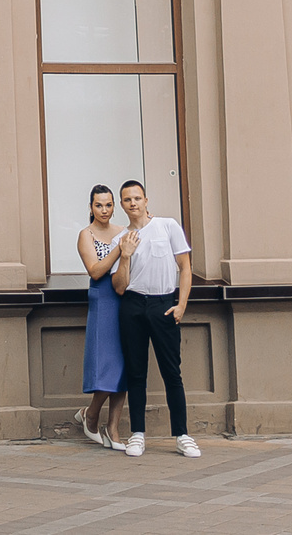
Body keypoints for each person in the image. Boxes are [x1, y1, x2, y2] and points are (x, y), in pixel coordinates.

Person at [111, 178, 201, 459]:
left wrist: (181, 305)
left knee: (172, 372)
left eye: (137, 198)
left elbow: (185, 267)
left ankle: (182, 435)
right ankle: (137, 434)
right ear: (122, 206)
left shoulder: (167, 226)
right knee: (136, 373)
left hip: (164, 304)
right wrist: (125, 256)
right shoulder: (120, 239)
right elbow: (119, 286)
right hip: (133, 306)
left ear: (146, 200)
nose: (133, 203)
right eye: (127, 200)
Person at [74, 185, 126, 448]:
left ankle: (113, 429)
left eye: (108, 205)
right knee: (107, 365)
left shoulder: (123, 232)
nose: (104, 210)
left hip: (126, 299)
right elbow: (95, 271)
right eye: (98, 205)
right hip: (103, 301)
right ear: (91, 207)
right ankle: (91, 414)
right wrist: (120, 249)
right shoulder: (87, 235)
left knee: (126, 365)